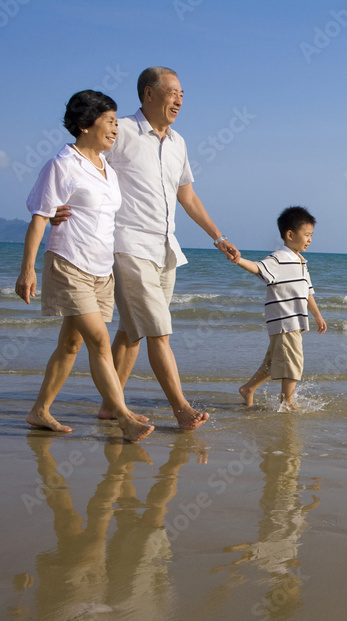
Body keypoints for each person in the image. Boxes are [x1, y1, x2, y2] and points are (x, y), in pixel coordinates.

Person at [88, 66, 239, 430]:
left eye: (182, 94)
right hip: (128, 244)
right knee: (159, 330)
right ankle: (181, 409)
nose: (180, 100)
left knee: (131, 331)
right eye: (173, 92)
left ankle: (111, 405)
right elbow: (87, 162)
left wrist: (217, 236)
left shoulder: (178, 143)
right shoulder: (119, 130)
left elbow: (186, 194)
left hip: (166, 249)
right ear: (148, 94)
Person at [16, 90, 154, 442]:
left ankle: (39, 411)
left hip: (100, 270)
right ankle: (123, 416)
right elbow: (39, 218)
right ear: (84, 125)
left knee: (71, 345)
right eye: (108, 121)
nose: (115, 128)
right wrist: (27, 270)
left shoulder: (106, 167)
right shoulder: (62, 165)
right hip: (69, 264)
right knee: (99, 341)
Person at [234, 207, 327, 410]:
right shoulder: (278, 258)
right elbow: (258, 268)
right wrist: (238, 259)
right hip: (285, 321)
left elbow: (307, 291)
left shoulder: (301, 261)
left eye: (312, 235)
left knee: (272, 362)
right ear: (290, 234)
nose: (310, 239)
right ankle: (287, 403)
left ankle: (248, 389)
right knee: (293, 362)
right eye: (307, 235)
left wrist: (318, 316)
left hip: (294, 321)